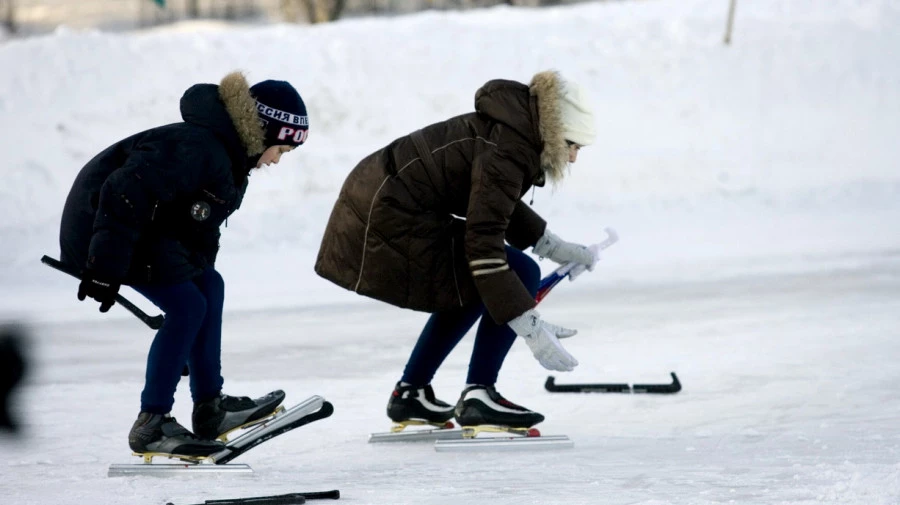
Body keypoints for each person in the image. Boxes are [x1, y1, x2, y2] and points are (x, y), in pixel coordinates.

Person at [315, 70, 598, 430]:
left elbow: (491, 202)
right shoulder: (511, 147)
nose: (572, 158)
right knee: (515, 272)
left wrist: (553, 246)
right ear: (557, 133)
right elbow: (484, 237)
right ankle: (480, 392)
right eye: (573, 145)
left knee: (473, 278)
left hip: (381, 203)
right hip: (387, 216)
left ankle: (411, 393)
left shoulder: (514, 131)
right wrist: (529, 325)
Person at [58, 71, 309, 457]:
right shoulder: (199, 147)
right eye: (280, 150)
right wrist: (103, 268)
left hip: (145, 231)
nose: (276, 161)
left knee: (209, 286)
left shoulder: (231, 159)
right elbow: (123, 191)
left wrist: (193, 329)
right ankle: (152, 423)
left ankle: (211, 407)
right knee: (186, 306)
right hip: (100, 230)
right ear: (263, 131)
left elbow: (198, 229)